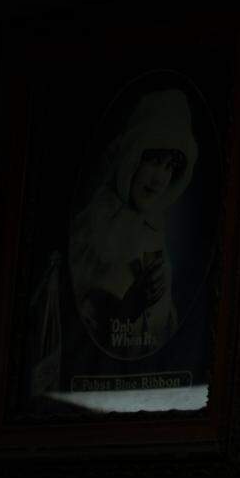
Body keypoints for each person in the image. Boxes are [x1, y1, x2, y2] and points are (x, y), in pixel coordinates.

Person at [68, 88, 198, 359]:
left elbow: (159, 336)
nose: (160, 178)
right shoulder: (97, 221)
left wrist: (161, 296)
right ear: (132, 157)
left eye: (169, 166)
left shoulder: (153, 229)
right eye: (153, 161)